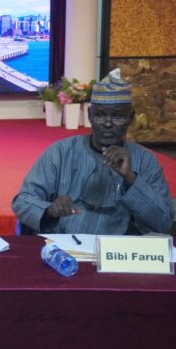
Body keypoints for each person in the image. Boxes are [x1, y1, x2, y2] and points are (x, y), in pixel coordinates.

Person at [12, 68, 173, 234]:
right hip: (65, 244)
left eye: (117, 116)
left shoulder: (145, 161)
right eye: (100, 115)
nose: (108, 123)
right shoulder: (61, 152)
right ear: (90, 115)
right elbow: (22, 201)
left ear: (130, 118)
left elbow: (163, 222)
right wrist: (50, 211)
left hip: (119, 247)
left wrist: (130, 178)